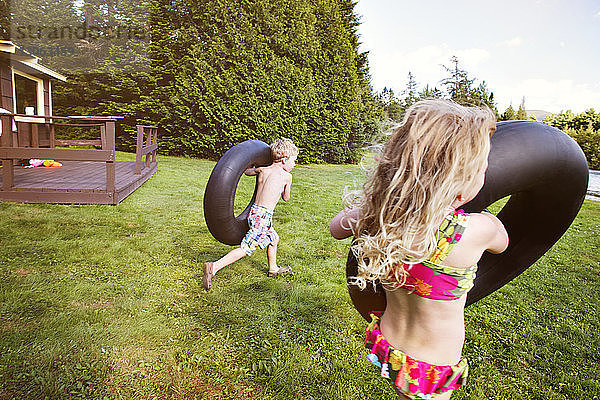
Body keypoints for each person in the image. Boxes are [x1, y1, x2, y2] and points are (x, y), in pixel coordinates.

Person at [329, 100, 508, 399]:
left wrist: (371, 204)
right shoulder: (474, 231)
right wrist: (486, 214)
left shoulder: (380, 215)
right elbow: (502, 242)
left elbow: (336, 228)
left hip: (389, 342)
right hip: (430, 364)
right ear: (461, 183)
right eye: (483, 169)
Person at [203, 137, 299, 291]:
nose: (294, 164)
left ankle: (273, 269)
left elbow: (246, 171)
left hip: (255, 213)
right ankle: (213, 267)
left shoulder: (262, 170)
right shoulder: (287, 176)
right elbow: (286, 198)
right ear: (284, 160)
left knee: (273, 239)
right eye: (293, 161)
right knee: (246, 248)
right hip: (264, 216)